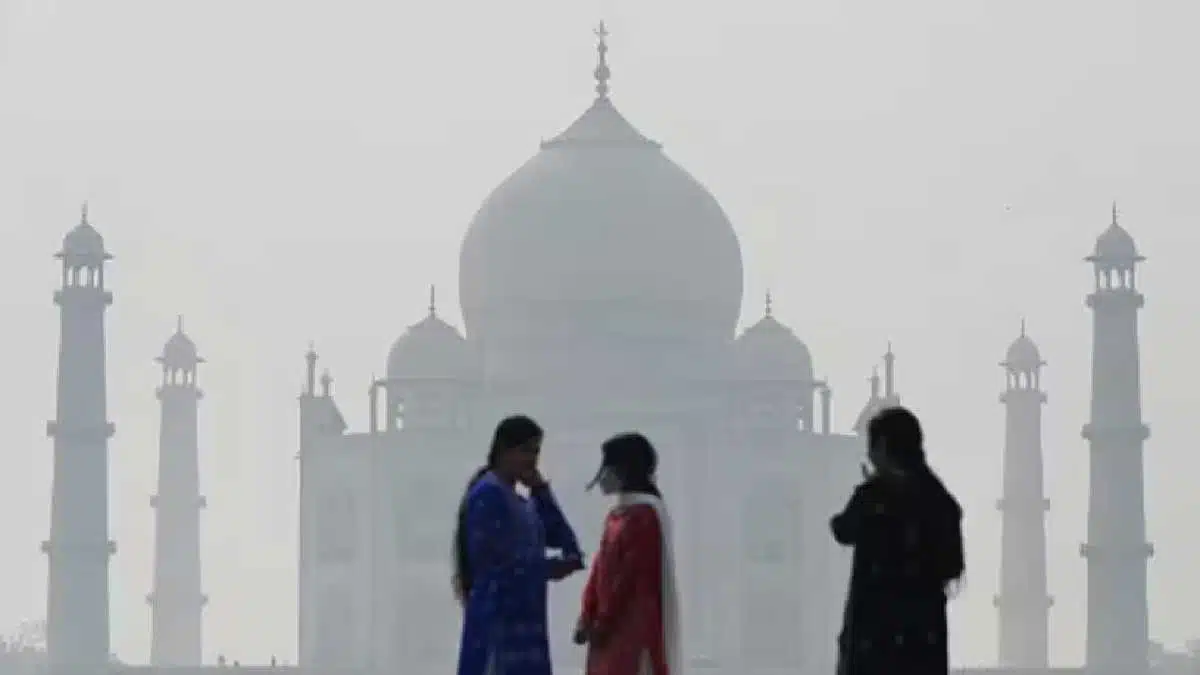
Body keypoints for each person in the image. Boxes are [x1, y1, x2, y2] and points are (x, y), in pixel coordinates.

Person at [831, 406, 965, 675]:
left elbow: (843, 530)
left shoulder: (874, 496)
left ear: (882, 446)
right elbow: (952, 566)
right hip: (922, 643)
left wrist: (872, 492)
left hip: (874, 644)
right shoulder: (937, 499)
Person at [454, 415, 586, 675]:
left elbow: (564, 541)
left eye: (536, 452)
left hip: (526, 627)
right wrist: (548, 568)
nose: (532, 460)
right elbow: (496, 563)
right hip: (498, 627)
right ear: (504, 450)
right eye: (526, 451)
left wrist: (540, 490)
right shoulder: (488, 495)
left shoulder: (524, 504)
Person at [574, 432, 680, 675]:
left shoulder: (645, 516)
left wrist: (603, 620)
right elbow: (599, 569)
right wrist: (587, 612)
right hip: (606, 626)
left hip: (631, 626)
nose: (602, 476)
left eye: (608, 467)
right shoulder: (617, 515)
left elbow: (629, 578)